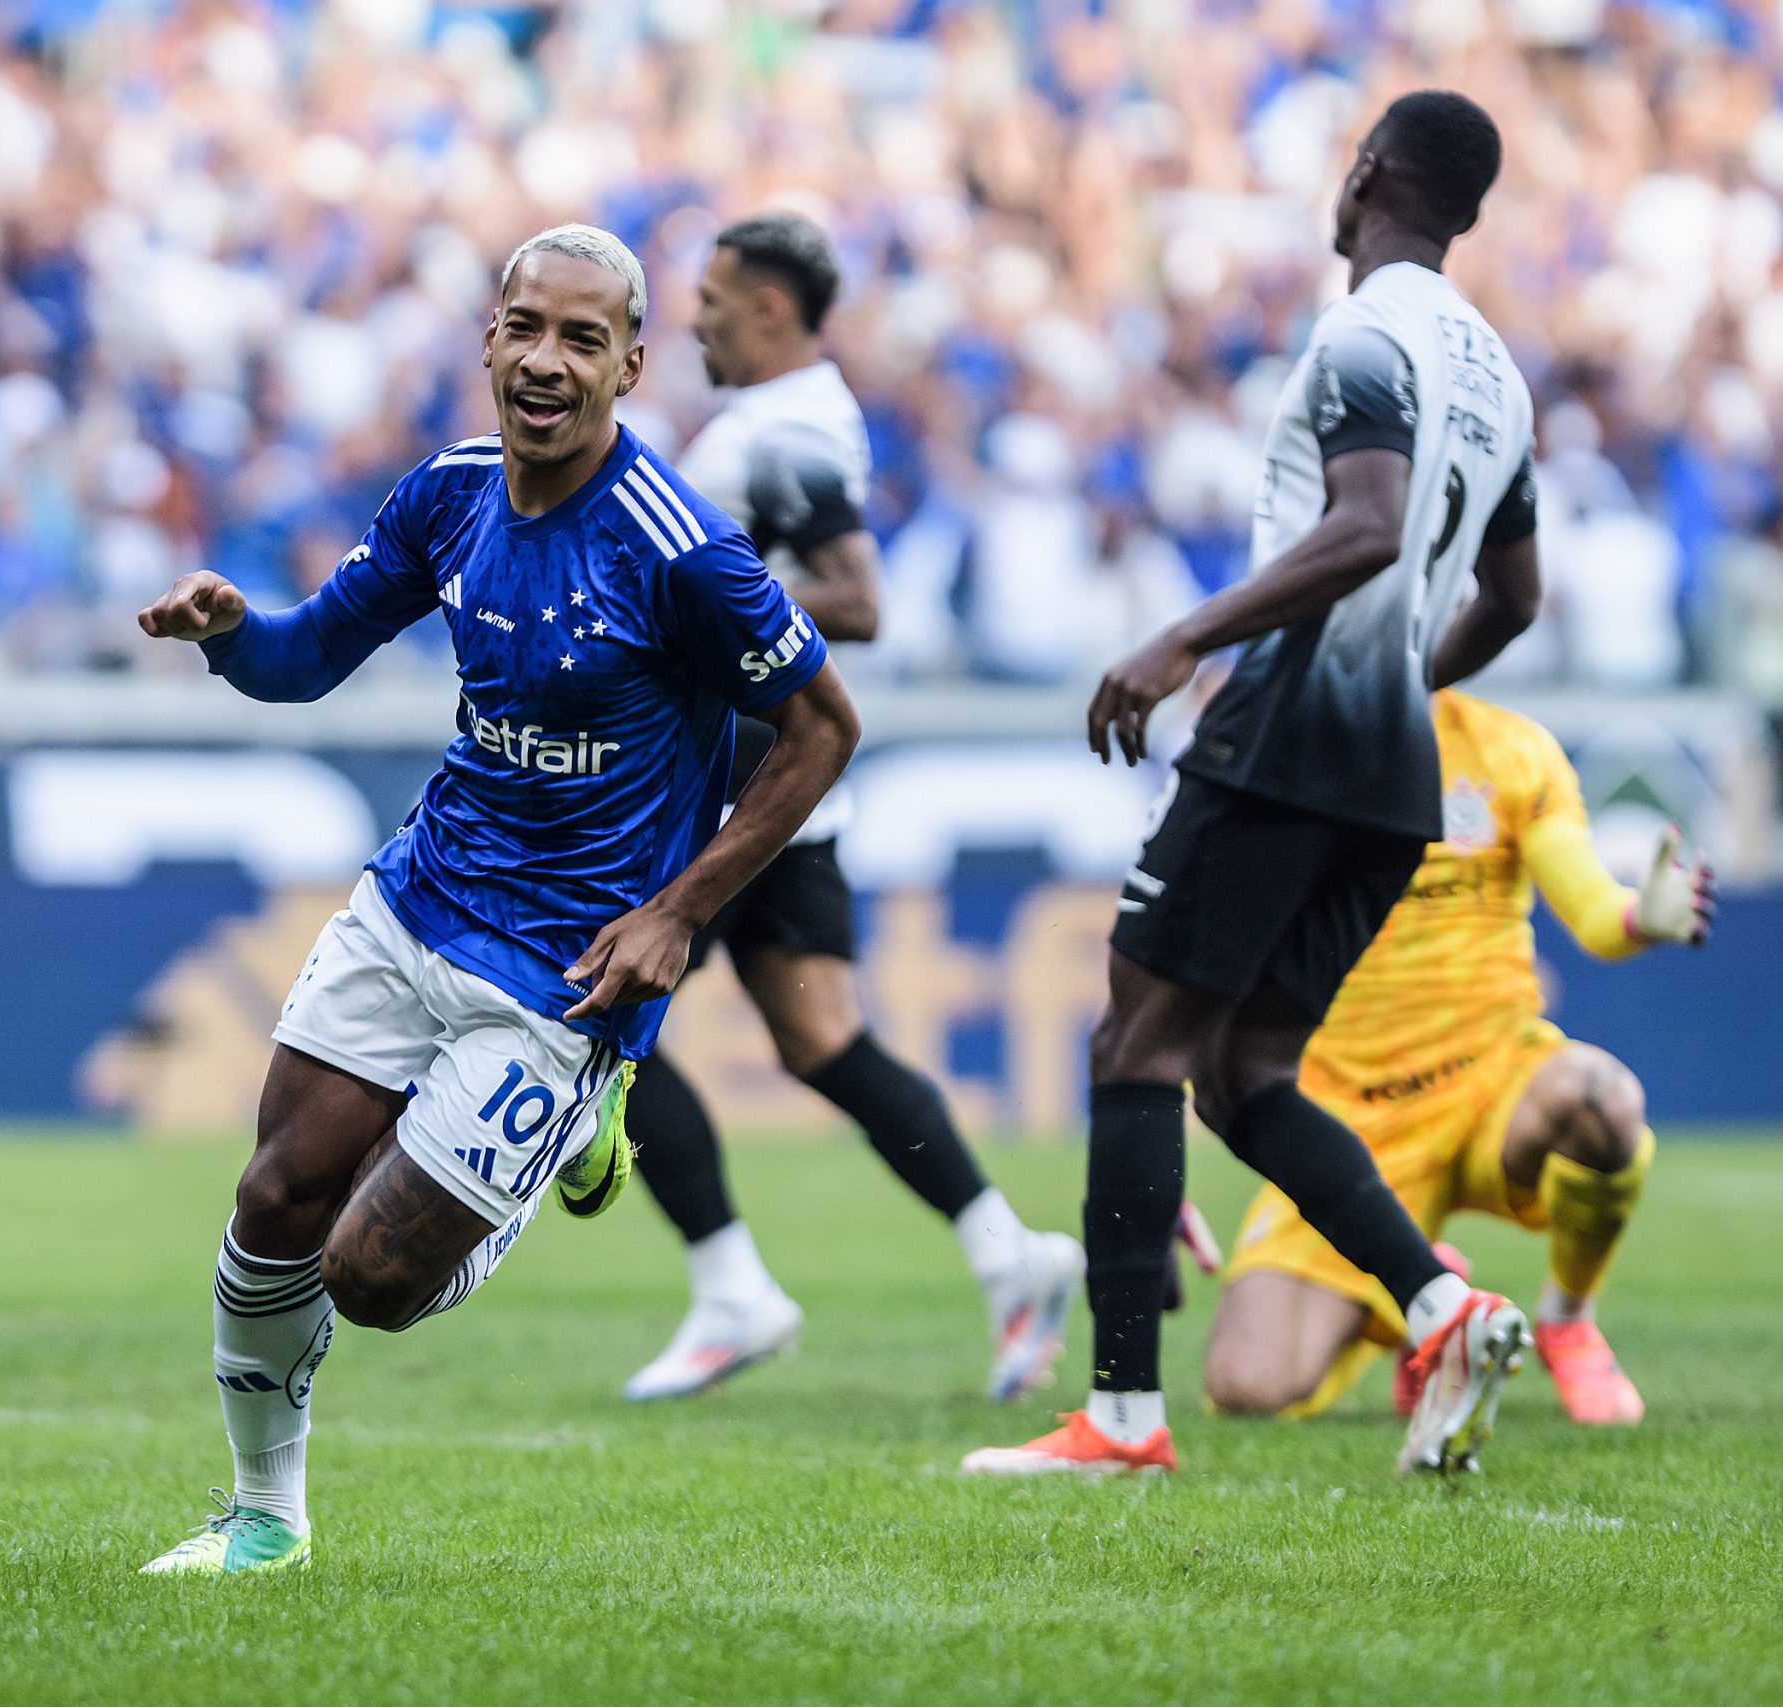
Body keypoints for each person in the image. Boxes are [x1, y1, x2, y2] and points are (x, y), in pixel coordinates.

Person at [133, 225, 860, 1573]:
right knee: (277, 1195)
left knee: (369, 1277)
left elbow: (822, 724)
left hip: (564, 967)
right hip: (421, 896)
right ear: (488, 337)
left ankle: (576, 1124)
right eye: (526, 327)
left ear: (632, 365)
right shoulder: (449, 494)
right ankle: (263, 1517)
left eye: (584, 339)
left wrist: (681, 911)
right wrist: (233, 634)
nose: (546, 360)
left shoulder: (681, 548)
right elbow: (305, 662)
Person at [963, 90, 1547, 1478]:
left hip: (1286, 729)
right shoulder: (1499, 377)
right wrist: (1406, 683)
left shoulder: (1363, 332)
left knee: (1136, 1047)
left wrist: (1181, 638)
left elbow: (1362, 525)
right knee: (1241, 1069)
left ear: (1362, 179)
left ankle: (1118, 1418)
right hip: (1393, 763)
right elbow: (1514, 598)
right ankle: (1442, 1302)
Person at [621, 213, 1082, 1406]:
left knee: (595, 1015)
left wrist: (698, 609)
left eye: (715, 299)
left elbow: (857, 598)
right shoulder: (786, 418)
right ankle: (1009, 1254)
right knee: (822, 1041)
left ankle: (731, 1286)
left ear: (769, 306)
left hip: (731, 788)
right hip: (783, 783)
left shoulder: (784, 430)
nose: (697, 317)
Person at [1202, 690, 1714, 1425]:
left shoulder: (1509, 749)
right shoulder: (1285, 751)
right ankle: (1422, 1302)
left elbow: (1592, 909)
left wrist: (1639, 917)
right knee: (1245, 1388)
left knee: (1603, 1098)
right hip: (1344, 1120)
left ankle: (1568, 1319)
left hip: (1490, 1083)